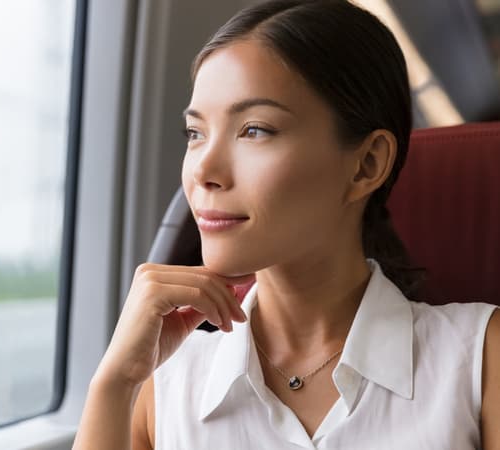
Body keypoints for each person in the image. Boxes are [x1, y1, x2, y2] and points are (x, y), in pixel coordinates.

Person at [71, 0, 500, 449]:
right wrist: (114, 383)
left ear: (366, 165)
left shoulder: (479, 358)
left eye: (254, 130)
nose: (203, 171)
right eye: (195, 133)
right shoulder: (163, 382)